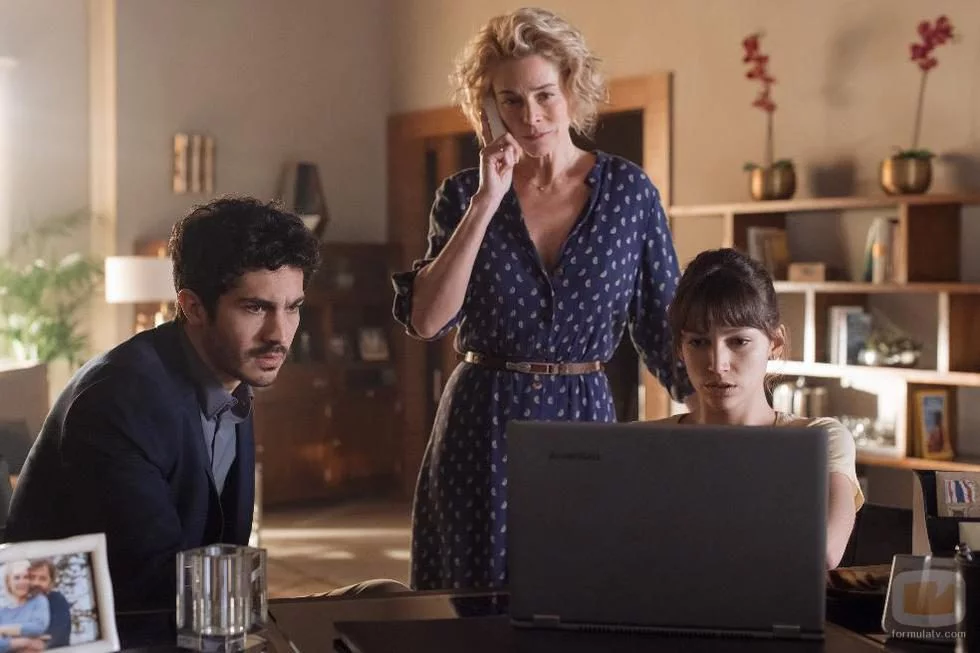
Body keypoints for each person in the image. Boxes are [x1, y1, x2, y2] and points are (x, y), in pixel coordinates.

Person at [392, 7, 689, 590]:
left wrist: (739, 419)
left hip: (583, 420)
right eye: (510, 100)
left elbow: (664, 329)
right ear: (488, 108)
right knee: (470, 608)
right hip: (482, 424)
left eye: (544, 96)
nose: (529, 117)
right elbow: (427, 321)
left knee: (579, 594)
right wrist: (486, 201)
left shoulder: (630, 193)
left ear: (572, 90)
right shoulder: (462, 196)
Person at [7, 197, 321, 611]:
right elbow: (147, 583)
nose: (279, 334)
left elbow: (223, 555)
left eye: (292, 308)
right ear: (193, 307)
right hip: (91, 628)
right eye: (255, 308)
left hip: (186, 616)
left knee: (378, 595)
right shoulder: (120, 401)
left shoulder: (232, 379)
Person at [656, 248, 864, 569]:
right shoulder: (644, 442)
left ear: (775, 343)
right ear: (680, 349)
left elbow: (822, 552)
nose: (718, 364)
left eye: (738, 341)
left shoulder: (819, 438)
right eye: (698, 342)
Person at [0, 561, 48, 653]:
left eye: (26, 577)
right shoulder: (2, 611)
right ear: (8, 582)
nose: (22, 582)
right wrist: (25, 642)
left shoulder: (39, 601)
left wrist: (2, 630)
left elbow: (38, 627)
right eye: (17, 578)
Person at [27, 560, 70, 649]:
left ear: (51, 583)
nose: (36, 583)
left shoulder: (56, 601)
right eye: (32, 577)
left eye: (42, 579)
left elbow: (54, 637)